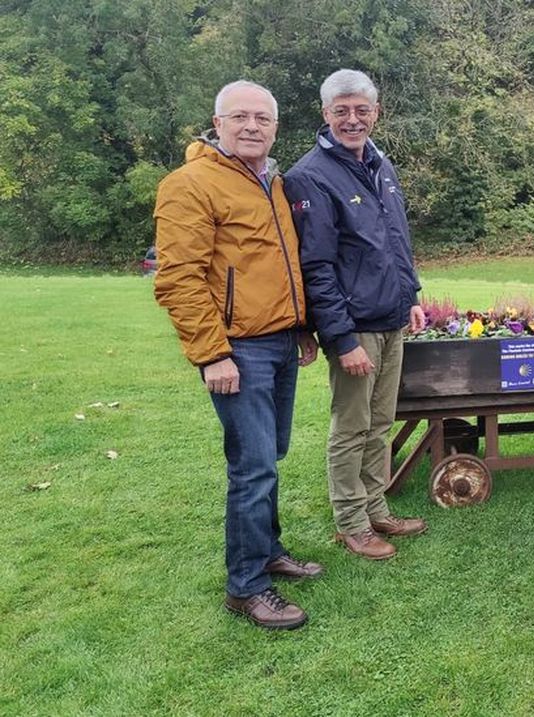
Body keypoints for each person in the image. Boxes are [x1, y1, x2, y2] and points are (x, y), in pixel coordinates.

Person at [154, 80, 321, 630]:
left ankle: (268, 548)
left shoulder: (270, 181)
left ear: (275, 127)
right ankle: (246, 586)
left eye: (263, 119)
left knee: (270, 454)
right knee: (252, 467)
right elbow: (178, 279)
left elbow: (281, 263)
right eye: (240, 117)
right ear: (217, 122)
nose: (252, 126)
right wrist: (212, 354)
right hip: (237, 349)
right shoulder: (191, 184)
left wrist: (300, 328)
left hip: (278, 340)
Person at [285, 69, 427, 561]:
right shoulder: (311, 175)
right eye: (341, 110)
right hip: (355, 327)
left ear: (375, 113)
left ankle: (376, 506)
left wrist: (411, 293)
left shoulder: (381, 165)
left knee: (380, 423)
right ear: (325, 114)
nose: (352, 119)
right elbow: (316, 267)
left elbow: (396, 240)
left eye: (361, 110)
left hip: (391, 318)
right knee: (351, 427)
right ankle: (351, 522)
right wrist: (341, 339)